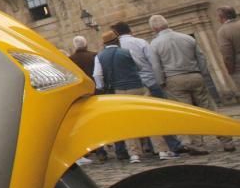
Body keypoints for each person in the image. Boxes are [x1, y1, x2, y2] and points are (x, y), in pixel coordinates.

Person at [149, 15, 235, 152]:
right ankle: (226, 140)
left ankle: (198, 145)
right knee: (209, 108)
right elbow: (201, 58)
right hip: (195, 75)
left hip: (174, 79)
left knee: (187, 113)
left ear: (154, 28)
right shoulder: (187, 38)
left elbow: (156, 66)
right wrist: (202, 74)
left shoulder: (155, 44)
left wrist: (161, 82)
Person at [93, 31, 177, 163]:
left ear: (104, 43)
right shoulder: (127, 52)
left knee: (126, 123)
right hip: (137, 87)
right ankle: (162, 150)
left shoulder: (99, 57)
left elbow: (97, 75)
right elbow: (139, 66)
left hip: (118, 91)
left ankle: (134, 154)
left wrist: (101, 86)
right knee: (149, 119)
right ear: (117, 41)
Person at [110, 21, 185, 155]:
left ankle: (147, 146)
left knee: (136, 118)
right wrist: (159, 80)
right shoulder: (141, 42)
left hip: (129, 86)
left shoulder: (117, 48)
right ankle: (171, 144)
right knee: (159, 116)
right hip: (149, 82)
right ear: (130, 30)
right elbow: (153, 62)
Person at [217, 6, 240, 96]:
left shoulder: (223, 31)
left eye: (218, 17)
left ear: (222, 17)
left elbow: (227, 54)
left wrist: (230, 70)